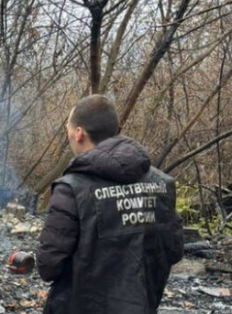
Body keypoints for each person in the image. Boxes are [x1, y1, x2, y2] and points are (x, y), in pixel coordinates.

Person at [36, 95, 184, 314]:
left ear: (79, 133)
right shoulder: (162, 183)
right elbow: (174, 251)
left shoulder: (71, 189)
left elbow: (48, 266)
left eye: (68, 126)